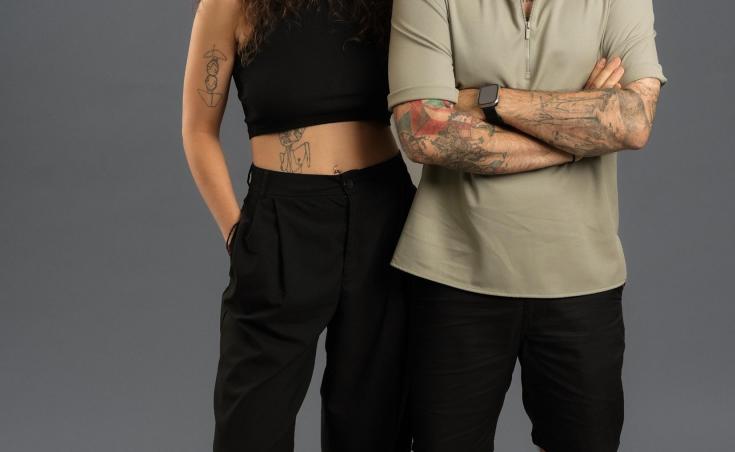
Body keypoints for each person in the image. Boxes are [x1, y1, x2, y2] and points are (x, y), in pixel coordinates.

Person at [387, 0, 666, 450]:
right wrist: (580, 130)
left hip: (580, 275)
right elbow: (423, 132)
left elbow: (633, 122)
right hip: (454, 273)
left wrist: (489, 98)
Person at [181, 0, 414, 451]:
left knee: (376, 422)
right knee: (251, 427)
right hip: (285, 218)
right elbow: (198, 130)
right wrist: (236, 234)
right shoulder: (231, 4)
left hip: (383, 213)